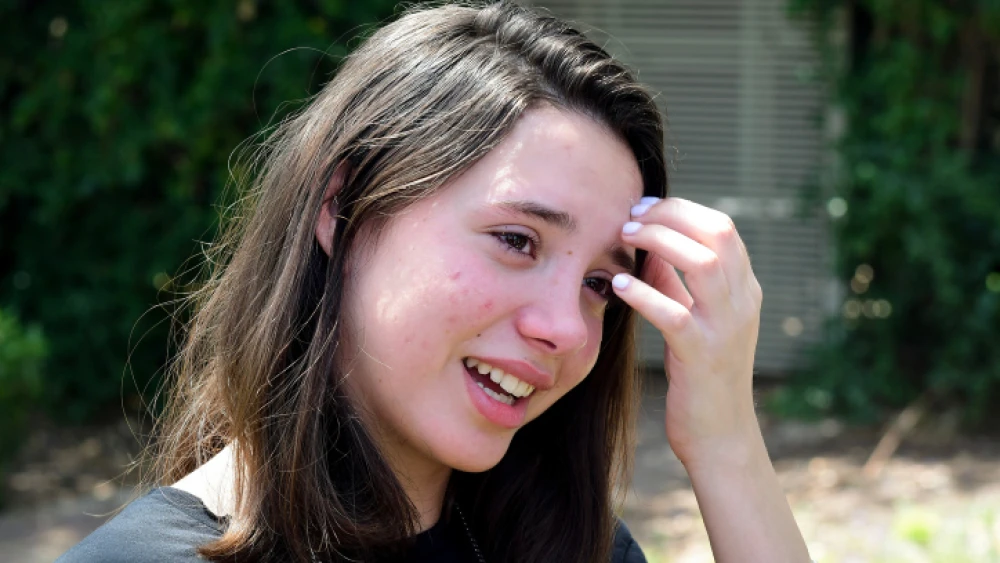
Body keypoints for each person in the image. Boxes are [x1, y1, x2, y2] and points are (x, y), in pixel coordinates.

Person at [58, 2, 813, 562]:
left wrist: (724, 440)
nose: (568, 329)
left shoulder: (568, 549)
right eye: (517, 240)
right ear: (341, 206)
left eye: (599, 284)